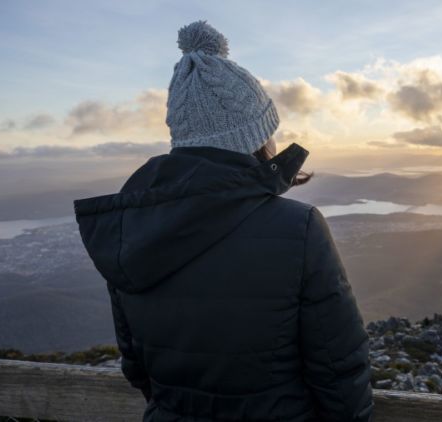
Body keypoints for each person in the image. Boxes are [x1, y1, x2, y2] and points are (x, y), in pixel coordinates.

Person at [73, 20, 373, 422]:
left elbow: (136, 367)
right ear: (257, 137)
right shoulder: (297, 228)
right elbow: (337, 370)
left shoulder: (131, 226)